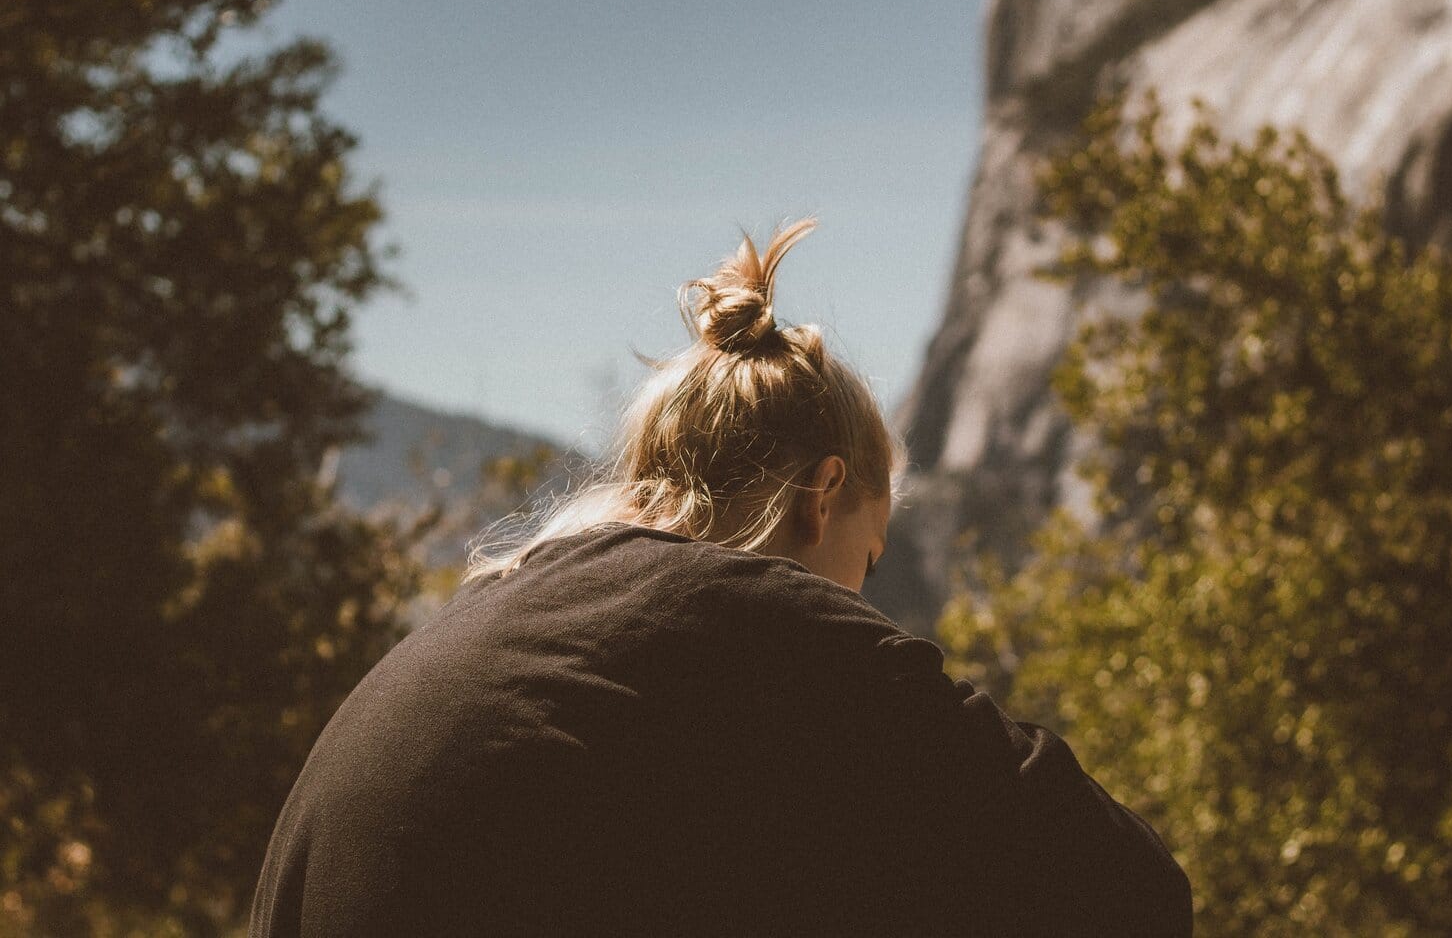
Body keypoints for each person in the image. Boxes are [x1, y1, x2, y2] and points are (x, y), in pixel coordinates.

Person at [249, 219, 1193, 937]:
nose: (853, 601)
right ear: (822, 498)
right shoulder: (759, 619)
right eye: (864, 564)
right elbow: (1131, 890)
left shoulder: (497, 625)